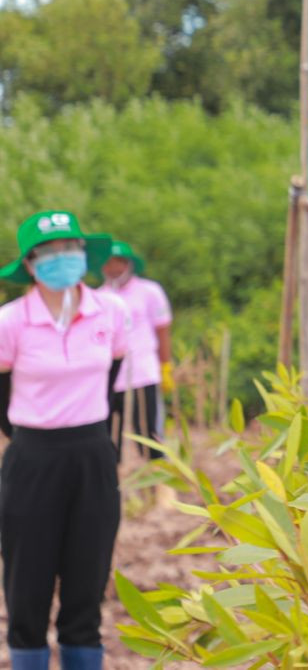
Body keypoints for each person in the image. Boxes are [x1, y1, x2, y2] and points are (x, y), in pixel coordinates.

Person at [0, 210, 128, 670]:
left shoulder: (111, 311)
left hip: (93, 456)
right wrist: (30, 435)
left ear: (84, 255)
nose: (62, 259)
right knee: (27, 593)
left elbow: (111, 376)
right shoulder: (10, 321)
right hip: (32, 459)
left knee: (85, 592)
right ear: (31, 264)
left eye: (70, 249)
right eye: (50, 252)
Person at [101, 239, 173, 460]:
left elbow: (162, 331)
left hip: (143, 375)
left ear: (129, 264)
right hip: (110, 379)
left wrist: (166, 367)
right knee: (109, 443)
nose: (114, 269)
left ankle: (161, 490)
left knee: (151, 439)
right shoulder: (98, 297)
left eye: (119, 263)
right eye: (109, 264)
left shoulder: (150, 291)